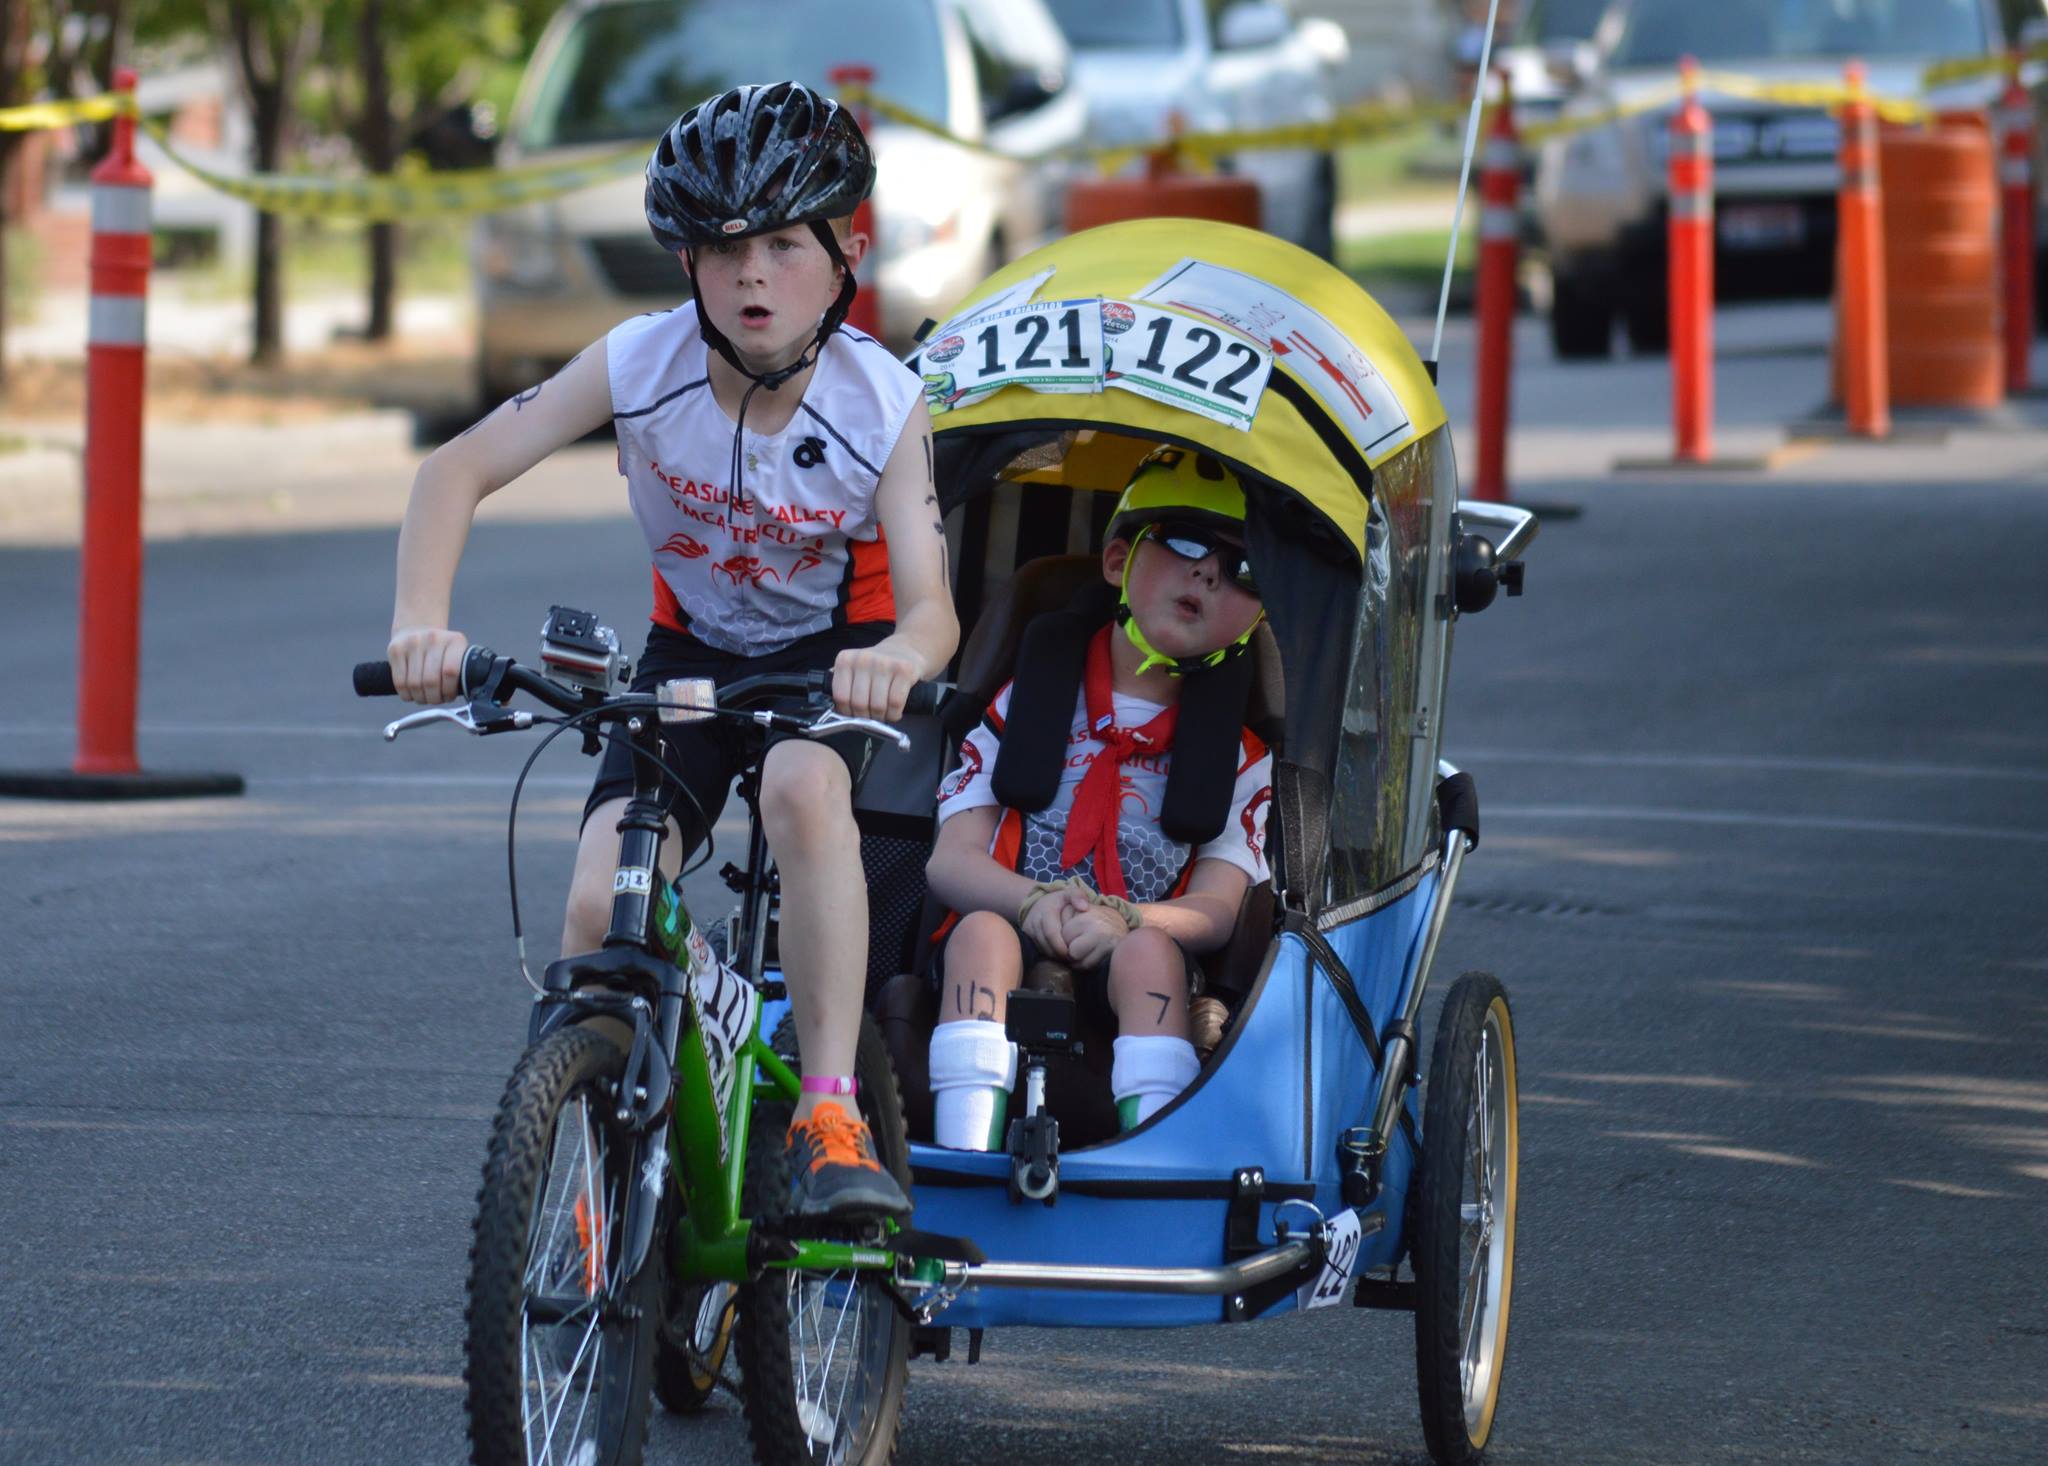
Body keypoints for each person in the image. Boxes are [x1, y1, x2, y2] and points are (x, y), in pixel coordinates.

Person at [384, 83, 957, 1221]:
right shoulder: (636, 366)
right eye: (723, 247)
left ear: (845, 254)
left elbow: (934, 609)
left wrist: (895, 655)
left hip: (834, 657)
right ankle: (600, 1137)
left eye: (785, 244)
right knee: (601, 902)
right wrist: (419, 621)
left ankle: (831, 1104)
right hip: (688, 654)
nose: (753, 274)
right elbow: (451, 470)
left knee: (800, 787)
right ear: (685, 262)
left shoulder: (881, 403)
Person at [922, 448, 1273, 1149]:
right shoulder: (1021, 704)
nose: (1207, 571)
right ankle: (964, 1150)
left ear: (1256, 618)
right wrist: (1030, 902)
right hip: (1011, 920)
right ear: (1117, 562)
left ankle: (1154, 1158)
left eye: (1241, 571)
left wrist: (1125, 919)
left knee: (1148, 956)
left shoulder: (1241, 757)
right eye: (1183, 542)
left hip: (1145, 942)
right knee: (983, 934)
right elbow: (949, 862)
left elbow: (1217, 907)